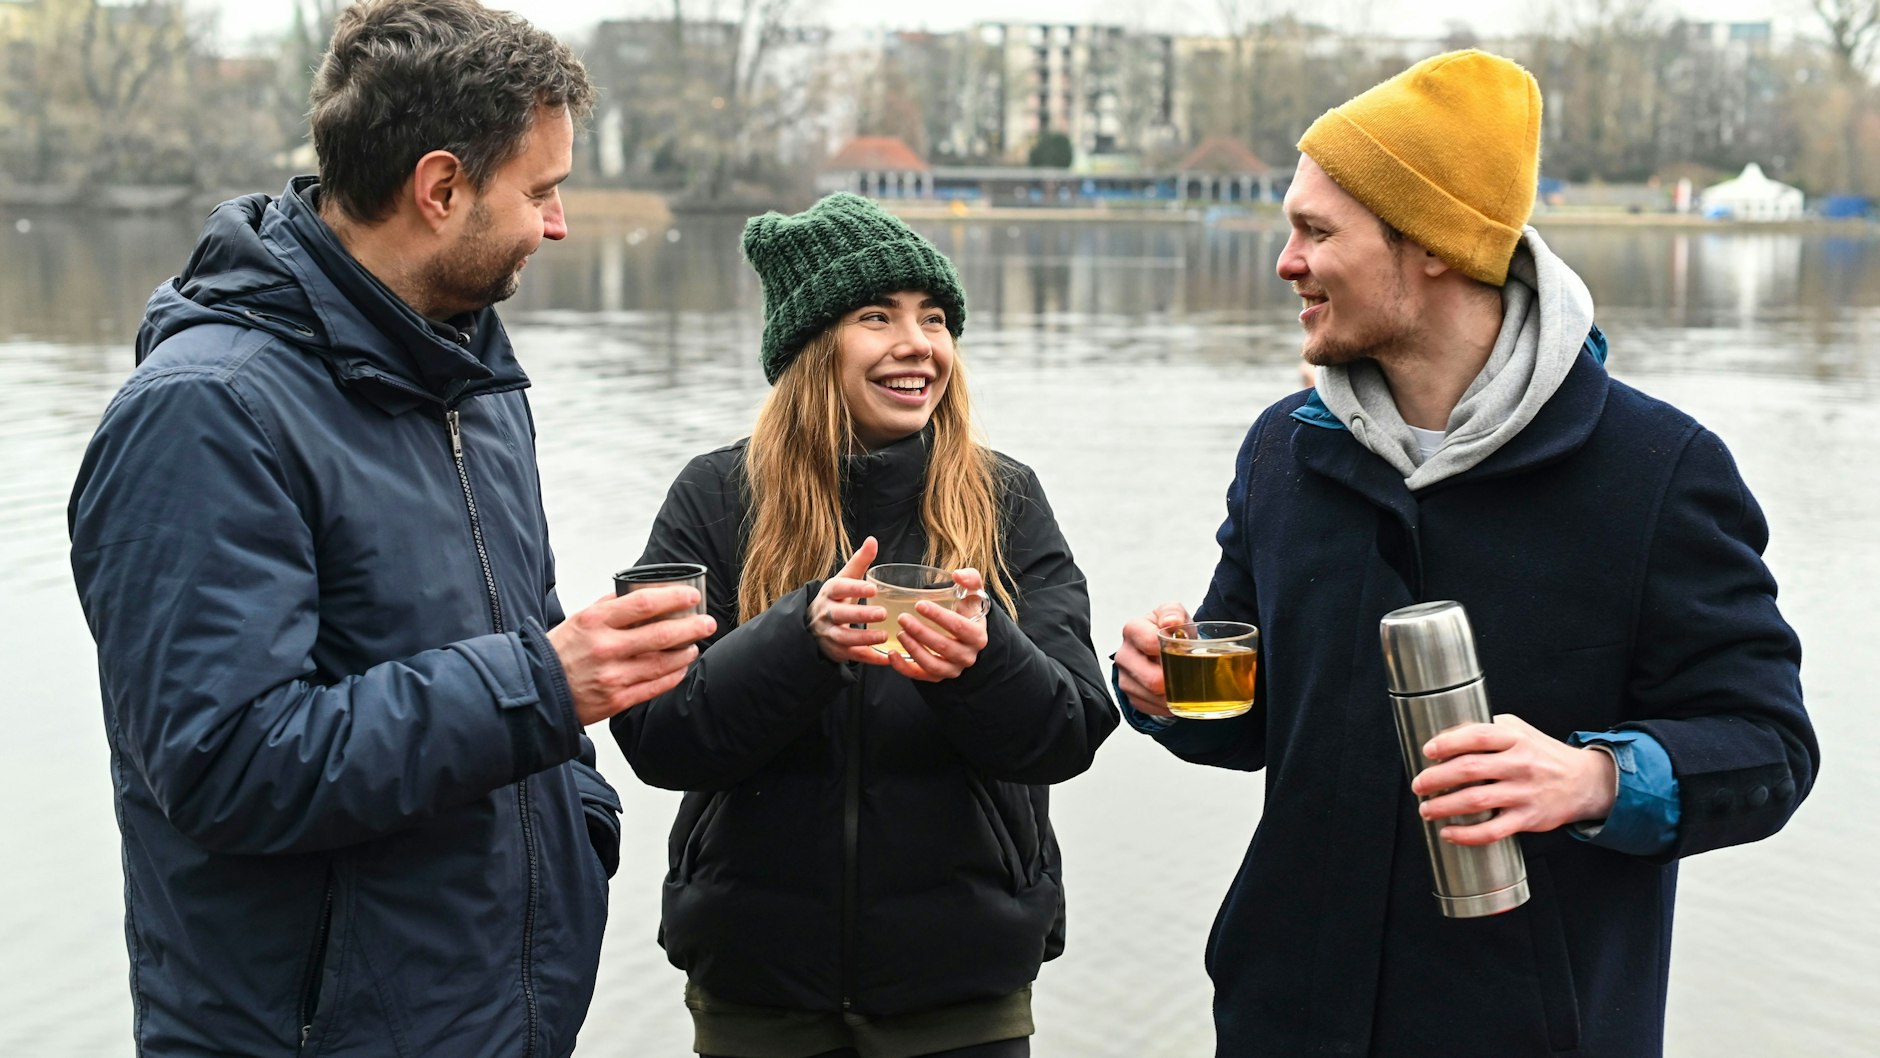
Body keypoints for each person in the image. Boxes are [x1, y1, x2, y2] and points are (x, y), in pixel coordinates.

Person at [1112, 50, 1818, 1057]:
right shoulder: (1284, 449)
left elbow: (1768, 743)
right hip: (1282, 1020)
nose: (1284, 261)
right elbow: (1260, 718)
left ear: (1432, 246)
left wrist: (1592, 778)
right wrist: (1163, 689)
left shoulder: (1658, 468)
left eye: (1314, 230)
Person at [66, 2, 715, 1055]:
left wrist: (577, 818)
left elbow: (526, 641)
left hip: (499, 1020)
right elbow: (225, 762)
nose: (557, 224)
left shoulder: (477, 379)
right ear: (440, 186)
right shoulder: (204, 412)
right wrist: (544, 687)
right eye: (540, 192)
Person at [611, 192, 1118, 1058]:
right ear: (813, 349)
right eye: (876, 317)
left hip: (964, 1000)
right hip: (756, 998)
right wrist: (799, 638)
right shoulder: (713, 496)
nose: (917, 344)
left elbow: (1069, 732)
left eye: (934, 319)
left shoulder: (1007, 499)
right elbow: (657, 735)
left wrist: (981, 657)